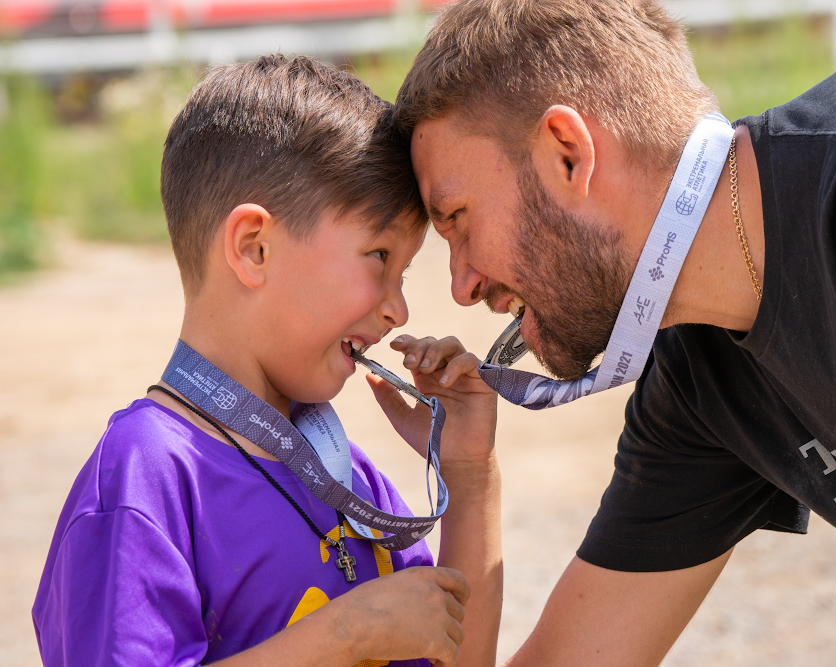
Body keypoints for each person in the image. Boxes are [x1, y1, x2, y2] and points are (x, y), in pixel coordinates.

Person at [393, 0, 836, 663]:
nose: (460, 285)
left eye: (456, 218)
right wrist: (467, 476)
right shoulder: (700, 382)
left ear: (568, 155)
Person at [32, 55, 502, 667]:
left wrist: (470, 475)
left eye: (405, 271)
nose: (400, 311)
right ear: (254, 249)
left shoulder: (346, 476)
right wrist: (344, 637)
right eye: (380, 257)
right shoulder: (145, 477)